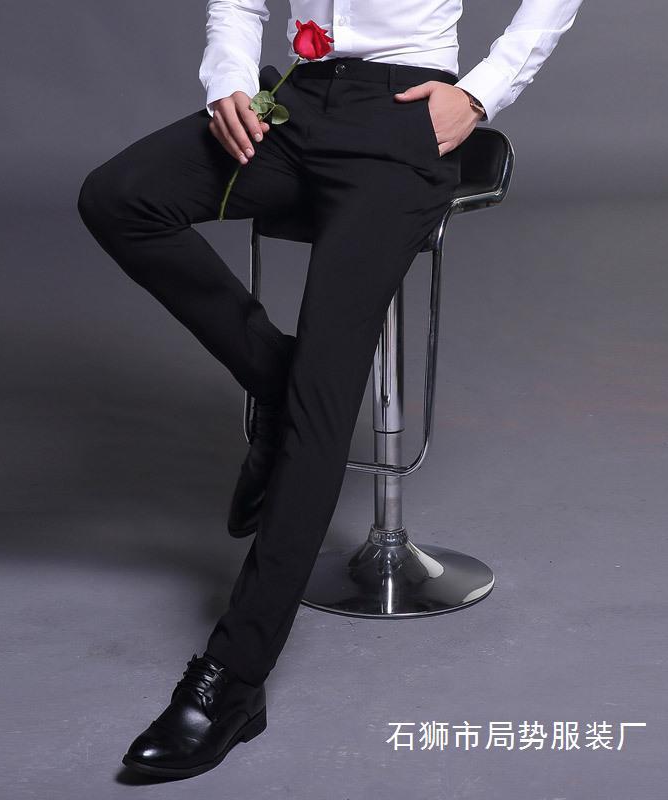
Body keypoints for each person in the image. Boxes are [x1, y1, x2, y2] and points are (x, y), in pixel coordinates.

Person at [76, 0, 584, 780]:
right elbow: (239, 3)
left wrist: (483, 92)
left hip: (404, 118)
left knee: (327, 387)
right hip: (296, 102)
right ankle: (280, 386)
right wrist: (229, 82)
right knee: (119, 197)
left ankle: (234, 679)